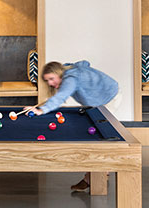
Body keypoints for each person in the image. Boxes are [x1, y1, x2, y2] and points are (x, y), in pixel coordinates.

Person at [23, 60, 119, 192]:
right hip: (101, 97)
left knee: (100, 136)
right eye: (48, 81)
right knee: (96, 133)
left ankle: (96, 176)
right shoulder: (69, 70)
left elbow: (61, 97)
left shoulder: (71, 78)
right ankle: (98, 174)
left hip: (109, 97)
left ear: (58, 73)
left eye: (51, 79)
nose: (50, 83)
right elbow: (85, 63)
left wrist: (41, 110)